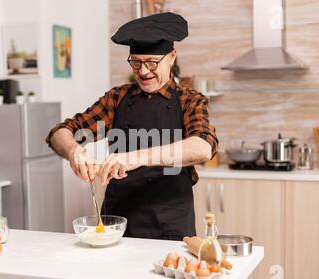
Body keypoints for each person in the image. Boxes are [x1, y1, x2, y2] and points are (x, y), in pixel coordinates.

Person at [46, 12, 218, 240]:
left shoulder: (190, 100)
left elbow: (203, 147)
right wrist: (74, 151)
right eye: (136, 63)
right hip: (117, 227)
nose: (143, 71)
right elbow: (61, 132)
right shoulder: (117, 99)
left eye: (151, 62)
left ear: (171, 57)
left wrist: (134, 158)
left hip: (171, 229)